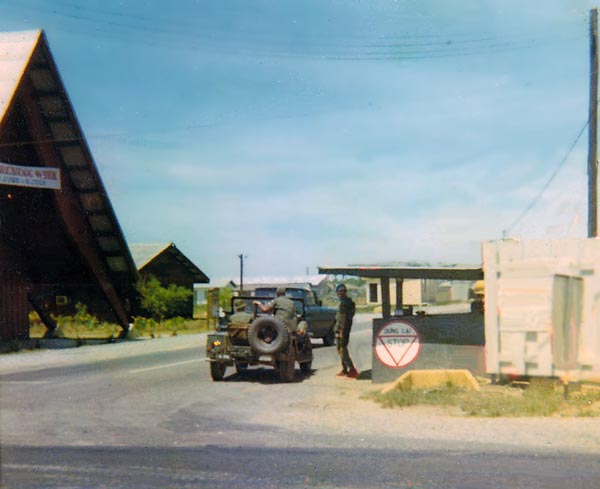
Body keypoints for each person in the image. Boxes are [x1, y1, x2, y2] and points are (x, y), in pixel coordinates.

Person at [334, 283, 358, 379]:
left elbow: (343, 319)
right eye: (340, 291)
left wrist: (340, 332)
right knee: (340, 349)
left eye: (342, 291)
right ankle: (344, 369)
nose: (341, 293)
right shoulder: (349, 302)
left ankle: (351, 369)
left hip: (342, 330)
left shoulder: (344, 303)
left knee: (342, 350)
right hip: (344, 329)